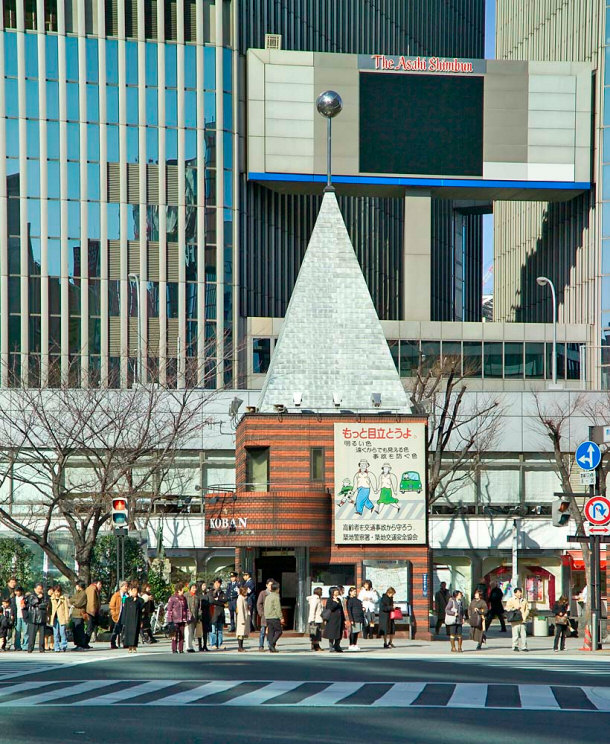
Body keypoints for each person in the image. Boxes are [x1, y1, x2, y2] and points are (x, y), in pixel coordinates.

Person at [167, 583, 190, 654]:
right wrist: (169, 620)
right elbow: (169, 610)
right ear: (179, 590)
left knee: (182, 634)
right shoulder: (172, 598)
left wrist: (188, 617)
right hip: (174, 619)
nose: (183, 590)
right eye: (182, 589)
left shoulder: (184, 598)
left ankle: (181, 649)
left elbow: (186, 608)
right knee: (174, 634)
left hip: (182, 619)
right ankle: (174, 649)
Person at [121, 583, 145, 653]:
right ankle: (129, 647)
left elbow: (141, 610)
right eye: (133, 591)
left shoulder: (140, 600)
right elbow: (124, 610)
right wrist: (124, 620)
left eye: (136, 591)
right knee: (128, 633)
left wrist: (141, 621)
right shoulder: (127, 600)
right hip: (128, 619)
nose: (134, 592)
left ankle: (134, 646)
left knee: (135, 633)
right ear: (130, 591)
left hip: (136, 618)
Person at [26, 583, 49, 653]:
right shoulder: (31, 595)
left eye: (40, 589)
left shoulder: (45, 596)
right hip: (33, 616)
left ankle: (42, 648)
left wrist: (38, 605)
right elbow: (32, 602)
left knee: (42, 634)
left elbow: (45, 604)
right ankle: (30, 648)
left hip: (42, 616)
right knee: (32, 634)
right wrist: (38, 598)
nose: (39, 590)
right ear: (35, 589)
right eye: (38, 589)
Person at [505, 587, 530, 652]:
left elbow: (527, 609)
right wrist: (515, 608)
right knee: (515, 634)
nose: (520, 594)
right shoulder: (511, 600)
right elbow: (507, 608)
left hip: (523, 619)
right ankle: (515, 646)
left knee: (523, 634)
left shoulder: (524, 600)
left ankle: (524, 647)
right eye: (518, 592)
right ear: (515, 593)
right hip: (515, 619)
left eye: (520, 592)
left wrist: (525, 615)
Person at [322, 586, 345, 653]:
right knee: (332, 633)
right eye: (335, 591)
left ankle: (337, 645)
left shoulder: (339, 599)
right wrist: (335, 602)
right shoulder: (330, 600)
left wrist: (344, 619)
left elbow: (341, 609)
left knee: (339, 633)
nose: (337, 592)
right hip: (332, 619)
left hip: (339, 619)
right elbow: (330, 608)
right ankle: (331, 646)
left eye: (337, 590)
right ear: (332, 592)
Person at [69, 581, 91, 650]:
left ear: (79, 586)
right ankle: (77, 644)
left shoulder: (83, 594)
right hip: (74, 614)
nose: (76, 587)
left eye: (77, 585)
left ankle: (81, 645)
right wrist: (74, 601)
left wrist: (74, 603)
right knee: (74, 630)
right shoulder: (76, 593)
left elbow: (79, 603)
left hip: (79, 614)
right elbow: (70, 600)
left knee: (79, 630)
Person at [207, 579, 227, 650]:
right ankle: (213, 643)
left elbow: (225, 599)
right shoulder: (210, 592)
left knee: (220, 630)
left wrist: (217, 600)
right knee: (213, 630)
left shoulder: (222, 592)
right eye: (216, 583)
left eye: (219, 583)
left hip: (221, 613)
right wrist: (220, 602)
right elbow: (211, 601)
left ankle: (220, 643)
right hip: (213, 613)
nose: (217, 585)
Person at [263, 581, 283, 653]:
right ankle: (272, 644)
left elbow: (265, 607)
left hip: (268, 617)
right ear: (277, 589)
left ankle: (271, 647)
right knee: (279, 631)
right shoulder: (276, 597)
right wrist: (281, 617)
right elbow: (277, 608)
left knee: (271, 632)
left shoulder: (268, 597)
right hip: (274, 616)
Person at [49, 585, 69, 653]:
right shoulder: (51, 599)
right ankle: (56, 647)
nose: (57, 593)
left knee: (62, 632)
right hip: (54, 617)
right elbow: (50, 609)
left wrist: (67, 618)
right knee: (55, 633)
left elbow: (66, 609)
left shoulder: (64, 599)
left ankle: (64, 646)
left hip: (62, 617)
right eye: (56, 592)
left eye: (58, 592)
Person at [109, 581, 129, 649]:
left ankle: (124, 642)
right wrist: (114, 614)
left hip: (125, 614)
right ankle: (113, 642)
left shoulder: (127, 596)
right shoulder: (116, 595)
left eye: (127, 586)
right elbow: (111, 606)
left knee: (124, 629)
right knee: (116, 630)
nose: (126, 588)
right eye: (125, 586)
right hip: (118, 615)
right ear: (121, 587)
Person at [256, 578, 274, 652]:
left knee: (271, 632)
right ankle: (261, 646)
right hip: (265, 615)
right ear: (266, 585)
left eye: (272, 585)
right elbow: (259, 604)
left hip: (272, 616)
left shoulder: (274, 593)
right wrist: (261, 613)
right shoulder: (263, 593)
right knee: (263, 631)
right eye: (269, 585)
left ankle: (270, 646)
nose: (271, 587)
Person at [346, 586, 364, 651]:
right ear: (350, 592)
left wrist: (362, 609)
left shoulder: (357, 600)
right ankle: (351, 644)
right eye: (353, 591)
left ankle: (355, 644)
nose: (355, 593)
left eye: (355, 591)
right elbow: (349, 610)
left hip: (359, 617)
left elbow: (360, 606)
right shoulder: (349, 600)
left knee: (357, 631)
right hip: (354, 617)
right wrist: (351, 619)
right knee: (353, 631)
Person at [11, 586, 28, 651]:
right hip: (17, 616)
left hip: (24, 616)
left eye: (18, 591)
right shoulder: (13, 599)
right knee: (17, 632)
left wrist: (25, 605)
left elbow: (28, 606)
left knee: (26, 631)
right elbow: (12, 608)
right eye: (16, 591)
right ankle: (17, 646)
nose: (17, 592)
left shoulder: (25, 598)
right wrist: (12, 615)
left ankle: (25, 645)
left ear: (21, 591)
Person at [185, 583, 201, 653]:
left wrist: (199, 616)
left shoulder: (197, 597)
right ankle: (188, 646)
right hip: (188, 617)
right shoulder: (186, 595)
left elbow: (199, 608)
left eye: (195, 588)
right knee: (188, 632)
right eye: (193, 587)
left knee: (192, 632)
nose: (194, 589)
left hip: (195, 617)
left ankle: (191, 646)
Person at [307, 587, 323, 652]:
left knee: (316, 633)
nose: (322, 592)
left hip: (318, 618)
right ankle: (316, 646)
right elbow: (312, 610)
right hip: (316, 619)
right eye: (321, 591)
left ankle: (315, 645)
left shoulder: (318, 599)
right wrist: (312, 619)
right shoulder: (315, 599)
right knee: (315, 633)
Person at [235, 586, 250, 652]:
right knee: (240, 633)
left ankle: (241, 647)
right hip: (242, 618)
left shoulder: (244, 598)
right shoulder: (240, 598)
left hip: (245, 617)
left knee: (243, 633)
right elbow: (240, 610)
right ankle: (240, 647)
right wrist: (242, 619)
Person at [199, 582, 210, 652]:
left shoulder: (207, 595)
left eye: (205, 585)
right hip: (200, 614)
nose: (204, 587)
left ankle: (205, 645)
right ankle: (200, 646)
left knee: (205, 631)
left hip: (206, 614)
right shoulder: (198, 595)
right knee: (200, 631)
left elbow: (210, 602)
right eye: (203, 585)